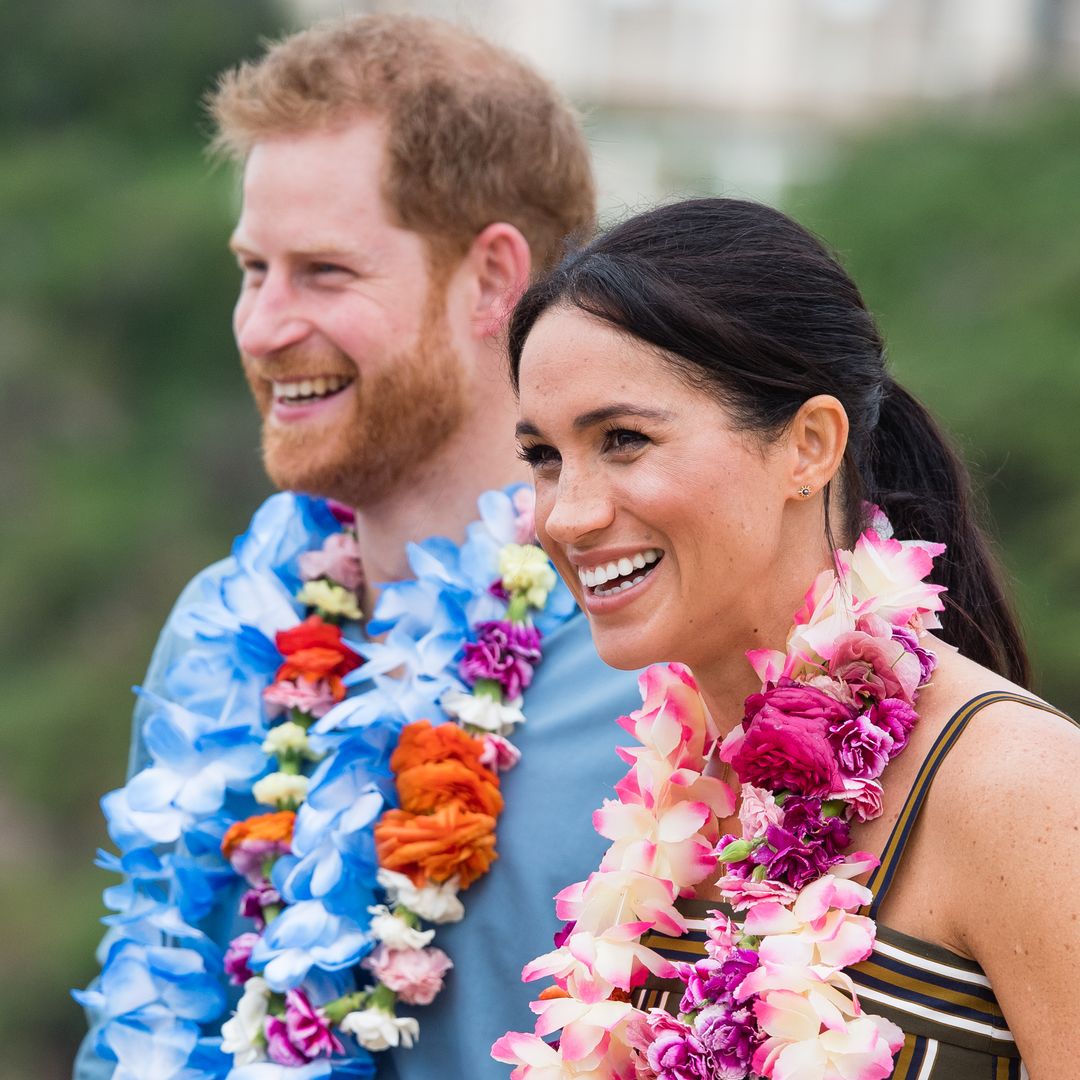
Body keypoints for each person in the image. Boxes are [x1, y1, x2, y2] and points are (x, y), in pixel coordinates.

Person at [74, 15, 644, 1080]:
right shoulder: (218, 634)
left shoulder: (649, 659)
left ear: (490, 282)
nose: (261, 326)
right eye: (254, 269)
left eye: (324, 272)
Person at [505, 197, 1080, 1077]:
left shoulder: (1019, 785)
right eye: (543, 456)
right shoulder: (677, 803)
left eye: (623, 439)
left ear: (809, 445)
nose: (567, 514)